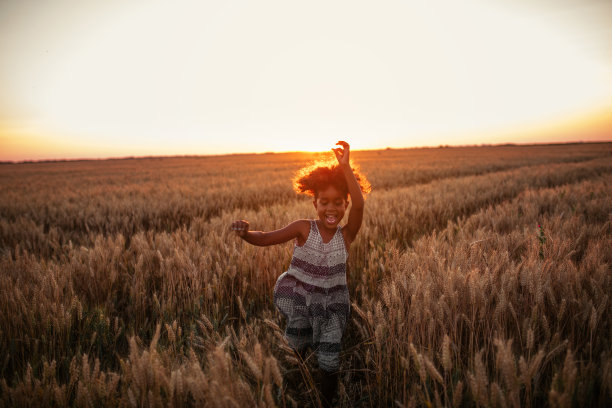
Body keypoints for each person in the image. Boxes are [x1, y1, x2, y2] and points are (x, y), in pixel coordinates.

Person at [231, 141, 370, 407]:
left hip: (332, 307)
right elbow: (267, 238)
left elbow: (360, 205)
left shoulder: (347, 235)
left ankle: (325, 399)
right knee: (296, 350)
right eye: (324, 202)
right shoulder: (303, 229)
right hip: (302, 303)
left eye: (338, 203)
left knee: (329, 359)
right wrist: (247, 234)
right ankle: (297, 389)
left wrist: (346, 168)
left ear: (345, 204)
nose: (332, 209)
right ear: (315, 203)